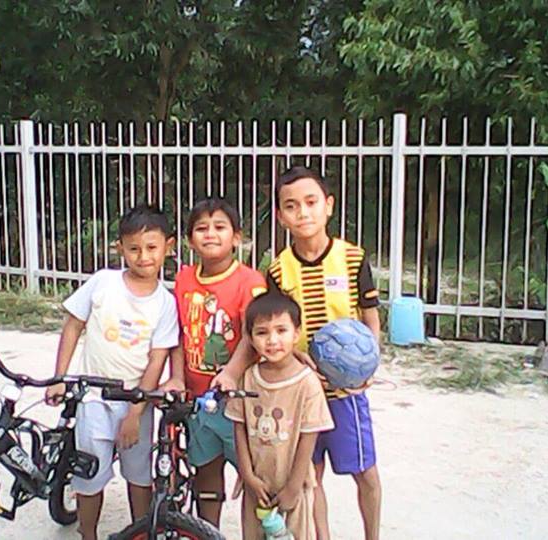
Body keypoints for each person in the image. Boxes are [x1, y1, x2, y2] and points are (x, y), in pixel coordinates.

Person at [214, 165, 383, 540]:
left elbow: (371, 317)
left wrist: (368, 363)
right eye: (291, 206)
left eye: (311, 202)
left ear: (328, 206)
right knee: (311, 475)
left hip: (345, 392)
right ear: (280, 216)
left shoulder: (353, 258)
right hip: (298, 391)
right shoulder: (278, 269)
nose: (302, 212)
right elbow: (270, 323)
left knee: (365, 472)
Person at [44, 206, 179, 540]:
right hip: (93, 399)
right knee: (89, 475)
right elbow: (73, 326)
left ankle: (141, 534)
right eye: (134, 248)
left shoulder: (166, 303)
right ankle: (87, 533)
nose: (143, 257)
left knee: (139, 477)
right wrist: (59, 378)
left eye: (152, 247)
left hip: (136, 401)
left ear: (169, 246)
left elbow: (157, 361)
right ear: (120, 248)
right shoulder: (104, 282)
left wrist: (135, 413)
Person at [159, 198, 267, 526]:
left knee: (255, 476)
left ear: (237, 237)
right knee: (206, 472)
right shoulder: (184, 279)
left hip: (238, 402)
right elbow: (179, 333)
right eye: (201, 228)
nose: (210, 234)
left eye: (220, 227)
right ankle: (207, 531)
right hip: (197, 399)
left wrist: (231, 372)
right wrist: (177, 377)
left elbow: (252, 334)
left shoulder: (250, 281)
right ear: (190, 240)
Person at [225, 291, 334, 540]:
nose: (272, 340)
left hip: (293, 486)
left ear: (296, 333)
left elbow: (309, 437)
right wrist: (248, 476)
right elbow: (239, 428)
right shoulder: (248, 378)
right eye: (262, 332)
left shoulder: (307, 383)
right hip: (257, 487)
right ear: (250, 338)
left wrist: (293, 487)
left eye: (281, 330)